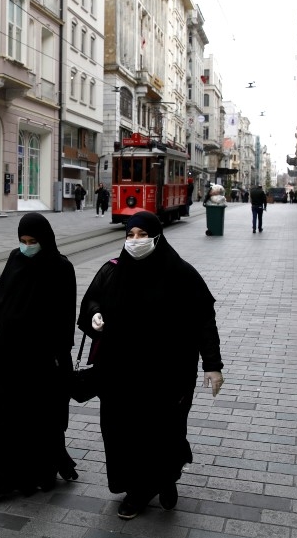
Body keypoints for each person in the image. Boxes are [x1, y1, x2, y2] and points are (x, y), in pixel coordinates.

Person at [77, 211, 224, 520]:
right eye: (130, 235)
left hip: (167, 375)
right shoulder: (112, 271)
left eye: (142, 235)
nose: (135, 241)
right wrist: (94, 315)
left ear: (157, 237)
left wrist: (212, 365)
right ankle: (136, 490)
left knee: (163, 432)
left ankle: (166, 479)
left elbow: (203, 321)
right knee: (124, 434)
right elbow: (91, 301)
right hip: (119, 372)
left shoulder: (181, 274)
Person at [0, 213, 78, 506]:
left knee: (37, 420)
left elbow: (64, 316)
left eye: (33, 242)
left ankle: (36, 474)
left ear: (45, 240)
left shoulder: (60, 267)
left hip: (42, 359)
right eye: (23, 241)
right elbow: (1, 298)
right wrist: (11, 326)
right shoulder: (15, 259)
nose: (27, 246)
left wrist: (58, 354)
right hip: (8, 353)